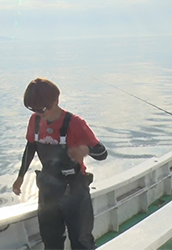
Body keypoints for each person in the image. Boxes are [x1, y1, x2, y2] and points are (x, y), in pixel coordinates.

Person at [12, 77, 108, 250]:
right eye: (32, 109)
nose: (38, 113)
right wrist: (20, 177)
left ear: (56, 100)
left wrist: (85, 149)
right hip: (49, 189)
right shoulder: (35, 121)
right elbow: (30, 147)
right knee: (51, 240)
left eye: (42, 108)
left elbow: (102, 153)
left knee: (81, 241)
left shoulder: (75, 123)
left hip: (75, 190)